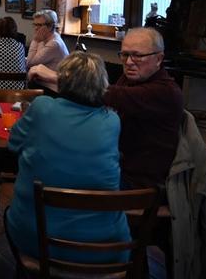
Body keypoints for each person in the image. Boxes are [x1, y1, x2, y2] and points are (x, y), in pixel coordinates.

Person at [7, 52, 130, 264]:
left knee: (11, 213)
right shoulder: (112, 121)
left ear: (62, 79)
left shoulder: (42, 107)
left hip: (39, 239)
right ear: (102, 84)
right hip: (106, 247)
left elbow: (13, 144)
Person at [28, 27, 184, 189]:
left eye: (137, 56)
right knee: (48, 162)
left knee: (52, 174)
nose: (129, 62)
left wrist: (56, 77)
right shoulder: (130, 80)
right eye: (124, 55)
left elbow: (112, 95)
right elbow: (98, 99)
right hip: (111, 165)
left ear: (159, 59)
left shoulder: (166, 92)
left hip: (137, 183)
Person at [26, 9, 68, 91]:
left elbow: (30, 63)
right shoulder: (45, 38)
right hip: (41, 83)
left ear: (50, 27)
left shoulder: (54, 44)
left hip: (51, 88)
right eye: (34, 24)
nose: (35, 28)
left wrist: (35, 40)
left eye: (39, 25)